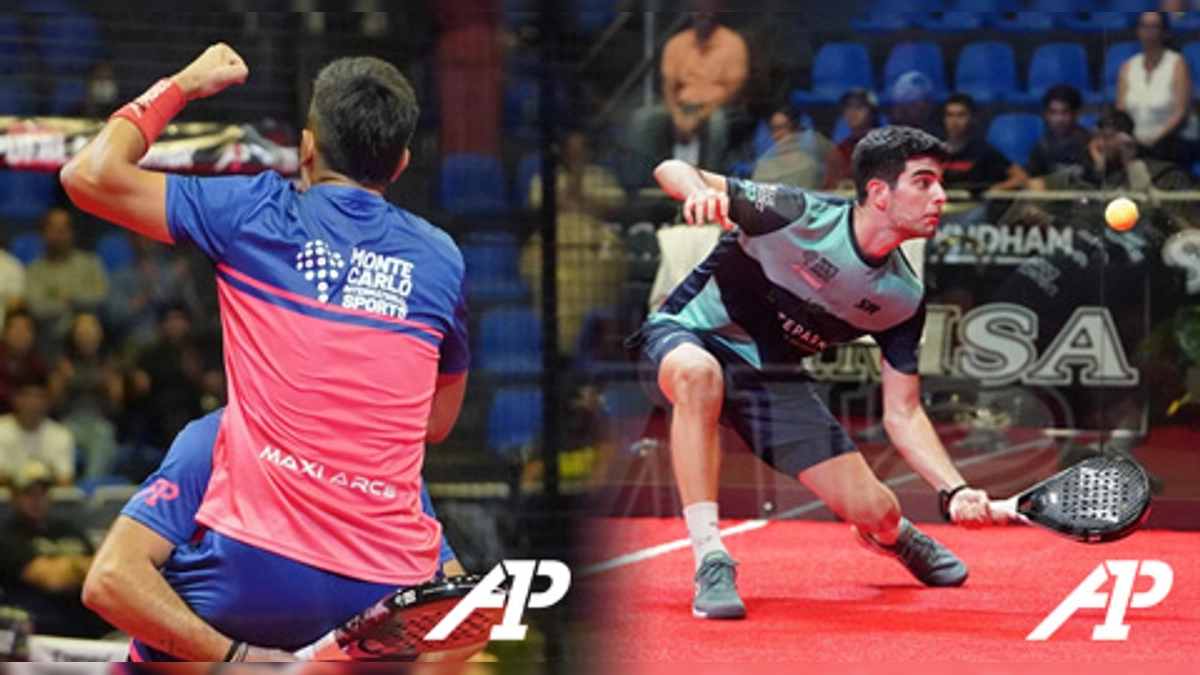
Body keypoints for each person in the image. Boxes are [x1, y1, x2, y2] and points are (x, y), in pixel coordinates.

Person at [60, 45, 470, 660]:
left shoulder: (257, 211)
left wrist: (183, 85)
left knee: (158, 631)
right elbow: (434, 423)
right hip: (387, 584)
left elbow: (88, 175)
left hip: (255, 569)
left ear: (307, 148)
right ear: (402, 163)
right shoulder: (442, 259)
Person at [624, 126, 996, 621]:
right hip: (687, 335)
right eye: (924, 182)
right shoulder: (794, 212)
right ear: (880, 193)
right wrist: (696, 191)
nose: (941, 197)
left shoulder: (902, 300)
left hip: (771, 379)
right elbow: (669, 168)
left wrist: (954, 488)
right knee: (698, 376)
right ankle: (712, 557)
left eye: (940, 184)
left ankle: (893, 535)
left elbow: (903, 413)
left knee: (875, 508)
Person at [84, 408, 465, 663]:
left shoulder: (390, 462)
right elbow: (111, 580)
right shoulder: (214, 439)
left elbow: (461, 611)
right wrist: (236, 658)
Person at [625, 5, 749, 185]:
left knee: (717, 123)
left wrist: (700, 116)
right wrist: (677, 115)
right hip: (681, 106)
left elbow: (735, 87)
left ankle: (710, 185)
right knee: (643, 119)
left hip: (717, 107)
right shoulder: (676, 43)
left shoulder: (733, 42)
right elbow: (668, 85)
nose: (703, 12)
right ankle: (639, 186)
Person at [0, 459, 113, 638]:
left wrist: (70, 567)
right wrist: (83, 566)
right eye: (29, 493)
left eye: (42, 493)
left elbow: (104, 572)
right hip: (40, 628)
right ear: (14, 497)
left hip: (88, 621)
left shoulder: (67, 528)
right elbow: (53, 580)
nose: (36, 500)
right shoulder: (8, 536)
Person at [23, 207, 109, 363]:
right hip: (52, 339)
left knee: (88, 326)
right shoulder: (34, 270)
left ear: (72, 233)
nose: (58, 235)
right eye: (53, 229)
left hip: (87, 338)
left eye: (63, 229)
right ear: (43, 234)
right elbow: (37, 308)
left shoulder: (90, 263)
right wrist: (76, 301)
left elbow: (99, 297)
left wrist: (64, 297)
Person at [1117, 11, 1198, 167]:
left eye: (1154, 26)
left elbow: (1180, 113)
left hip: (1169, 139)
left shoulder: (1178, 64)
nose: (1148, 31)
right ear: (1138, 31)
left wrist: (1153, 140)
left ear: (1164, 32)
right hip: (1135, 141)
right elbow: (1121, 110)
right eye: (1144, 26)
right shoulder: (1128, 66)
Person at [0, 370, 76, 488]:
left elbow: (65, 481)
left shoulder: (61, 434)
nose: (32, 403)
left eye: (38, 396)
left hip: (47, 504)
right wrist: (41, 475)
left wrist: (22, 477)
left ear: (47, 400)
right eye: (27, 396)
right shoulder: (1, 429)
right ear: (15, 398)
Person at [941, 93, 1027, 195]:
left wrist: (994, 190)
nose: (954, 122)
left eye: (961, 115)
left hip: (973, 206)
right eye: (950, 115)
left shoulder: (983, 151)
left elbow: (1021, 177)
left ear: (972, 119)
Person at [1026, 84, 1091, 179]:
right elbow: (1033, 183)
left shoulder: (1092, 144)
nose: (1059, 119)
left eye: (1065, 112)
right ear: (1046, 115)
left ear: (1076, 114)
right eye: (1053, 112)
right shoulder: (1041, 149)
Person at [821, 88, 880, 191]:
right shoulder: (839, 151)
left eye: (859, 107)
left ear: (872, 112)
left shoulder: (886, 146)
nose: (852, 112)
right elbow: (829, 189)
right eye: (847, 108)